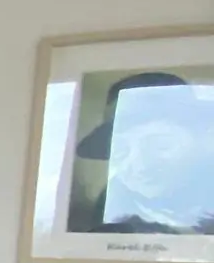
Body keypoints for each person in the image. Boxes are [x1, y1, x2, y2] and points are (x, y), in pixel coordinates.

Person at [67, 71, 214, 234]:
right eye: (121, 151)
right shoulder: (106, 218)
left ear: (200, 140)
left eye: (160, 145)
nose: (141, 166)